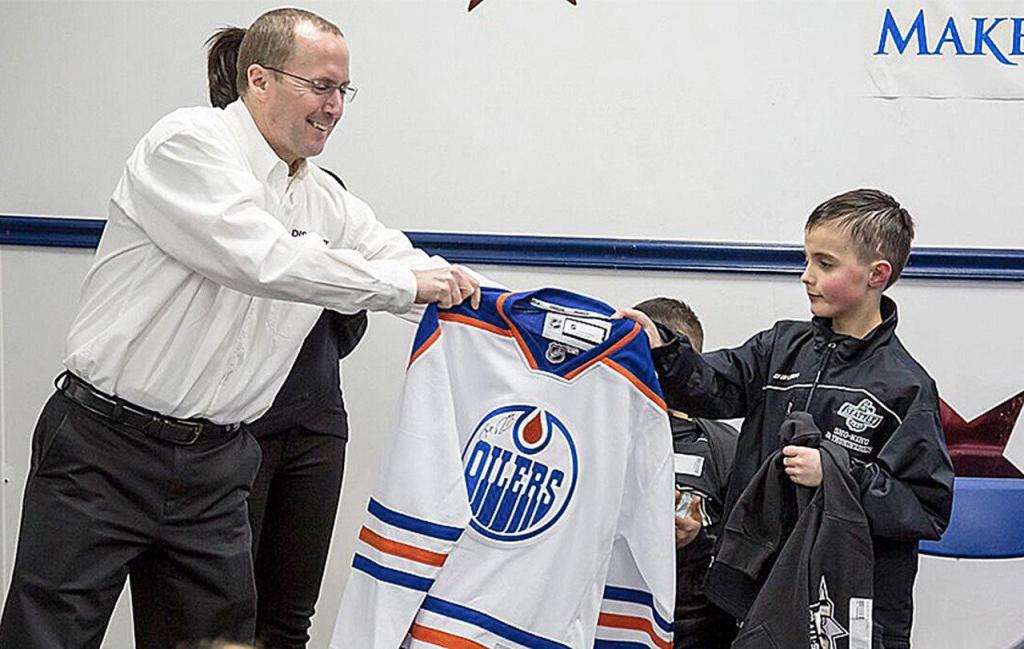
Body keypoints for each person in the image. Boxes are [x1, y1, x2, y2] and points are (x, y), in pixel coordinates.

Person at [0, 8, 480, 649]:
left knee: (220, 641)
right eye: (320, 86)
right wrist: (407, 286)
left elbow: (395, 254)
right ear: (259, 80)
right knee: (47, 637)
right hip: (103, 452)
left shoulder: (320, 196)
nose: (335, 107)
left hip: (218, 468)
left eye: (344, 90)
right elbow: (263, 259)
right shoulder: (187, 144)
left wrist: (494, 306)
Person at [618, 189, 954, 649]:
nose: (806, 275)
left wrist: (837, 474)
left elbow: (925, 508)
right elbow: (711, 385)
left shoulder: (906, 387)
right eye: (807, 259)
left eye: (825, 264)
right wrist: (661, 348)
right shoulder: (779, 347)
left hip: (844, 607)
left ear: (877, 274)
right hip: (759, 596)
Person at [632, 297, 739, 649]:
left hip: (697, 628)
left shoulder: (726, 446)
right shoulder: (598, 432)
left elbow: (749, 553)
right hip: (606, 620)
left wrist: (696, 542)